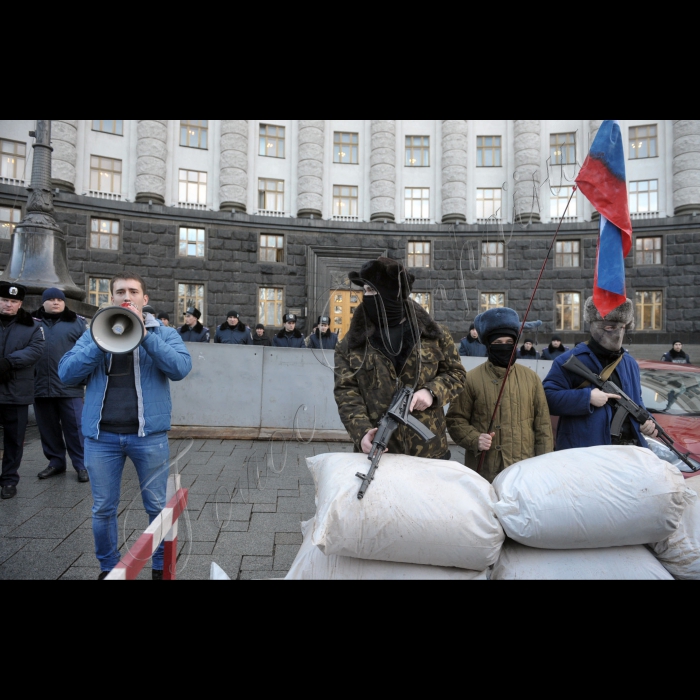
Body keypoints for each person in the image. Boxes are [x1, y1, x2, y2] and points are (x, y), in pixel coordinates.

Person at [59, 274, 192, 580]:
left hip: (149, 437)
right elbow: (66, 373)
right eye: (120, 292)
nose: (127, 295)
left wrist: (145, 335)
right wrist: (99, 341)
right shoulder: (93, 332)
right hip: (101, 437)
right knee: (103, 508)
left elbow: (180, 368)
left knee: (157, 506)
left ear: (145, 300)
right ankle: (108, 567)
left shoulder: (165, 333)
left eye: (134, 291)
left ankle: (160, 566)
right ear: (112, 298)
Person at [334, 257, 466, 459]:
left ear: (391, 294)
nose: (366, 296)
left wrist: (431, 392)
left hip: (429, 453)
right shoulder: (352, 344)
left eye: (372, 291)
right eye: (365, 291)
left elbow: (456, 374)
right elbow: (346, 393)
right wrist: (361, 433)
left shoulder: (435, 335)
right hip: (380, 452)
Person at [446, 307, 553, 483]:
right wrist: (475, 439)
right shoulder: (471, 379)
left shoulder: (531, 378)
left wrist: (544, 465)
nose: (504, 346)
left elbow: (543, 427)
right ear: (489, 345)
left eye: (508, 341)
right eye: (498, 343)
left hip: (523, 469)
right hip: (484, 472)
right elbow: (455, 420)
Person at [543, 297, 658, 451]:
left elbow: (636, 400)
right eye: (610, 327)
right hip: (585, 453)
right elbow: (548, 398)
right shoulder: (569, 360)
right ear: (594, 326)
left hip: (627, 451)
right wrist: (587, 397)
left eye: (622, 327)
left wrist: (646, 422)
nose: (617, 333)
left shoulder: (630, 363)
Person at [33, 288, 90, 483]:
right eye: (51, 299)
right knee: (47, 428)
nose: (55, 302)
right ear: (43, 302)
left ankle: (82, 465)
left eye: (59, 299)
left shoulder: (76, 323)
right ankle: (56, 462)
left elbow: (86, 353)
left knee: (76, 427)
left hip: (69, 386)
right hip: (40, 385)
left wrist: (82, 378)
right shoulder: (31, 322)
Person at [0, 283, 44, 500]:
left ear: (20, 304)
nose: (8, 304)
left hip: (17, 391)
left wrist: (9, 363)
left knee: (14, 439)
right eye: (5, 300)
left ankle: (9, 480)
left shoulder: (32, 326)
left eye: (14, 301)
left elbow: (36, 349)